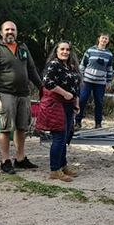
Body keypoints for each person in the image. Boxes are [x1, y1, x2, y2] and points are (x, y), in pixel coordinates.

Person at [0, 21, 43, 174]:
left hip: (23, 93)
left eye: (13, 30)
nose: (10, 32)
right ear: (1, 32)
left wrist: (42, 88)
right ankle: (5, 161)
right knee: (5, 127)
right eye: (7, 29)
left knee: (22, 127)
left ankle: (20, 158)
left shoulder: (23, 48)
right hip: (5, 92)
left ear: (17, 32)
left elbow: (31, 68)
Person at [40, 41, 81, 182]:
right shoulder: (53, 65)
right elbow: (48, 82)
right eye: (62, 49)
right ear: (56, 51)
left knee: (65, 137)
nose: (65, 52)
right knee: (59, 136)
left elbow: (76, 86)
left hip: (68, 104)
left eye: (67, 49)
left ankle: (62, 166)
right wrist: (64, 93)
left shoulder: (70, 66)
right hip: (55, 104)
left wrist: (76, 102)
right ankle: (54, 169)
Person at [76, 33, 114, 129]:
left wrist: (109, 82)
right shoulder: (90, 50)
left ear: (108, 41)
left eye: (106, 39)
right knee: (82, 100)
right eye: (103, 38)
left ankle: (98, 123)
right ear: (99, 39)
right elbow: (82, 65)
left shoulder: (109, 54)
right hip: (87, 80)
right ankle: (77, 121)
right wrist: (80, 78)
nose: (104, 40)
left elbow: (110, 69)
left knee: (99, 102)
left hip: (100, 82)